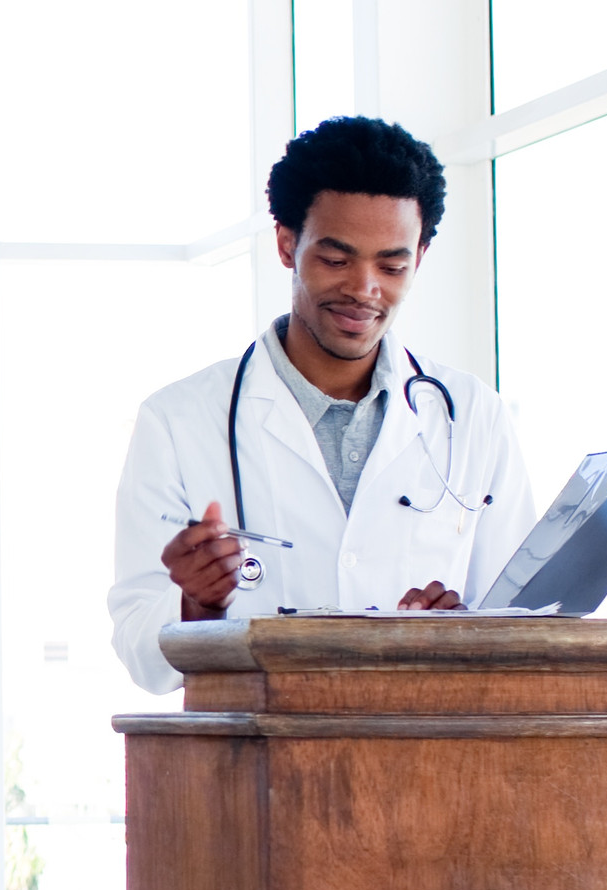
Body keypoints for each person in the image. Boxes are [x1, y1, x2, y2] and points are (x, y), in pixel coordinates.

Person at [108, 116, 536, 693]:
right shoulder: (178, 422)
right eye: (336, 260)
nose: (364, 288)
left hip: (430, 753)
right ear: (288, 244)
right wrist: (196, 604)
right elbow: (141, 651)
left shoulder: (472, 414)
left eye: (392, 265)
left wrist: (454, 636)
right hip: (263, 758)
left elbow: (524, 621)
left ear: (421, 255)